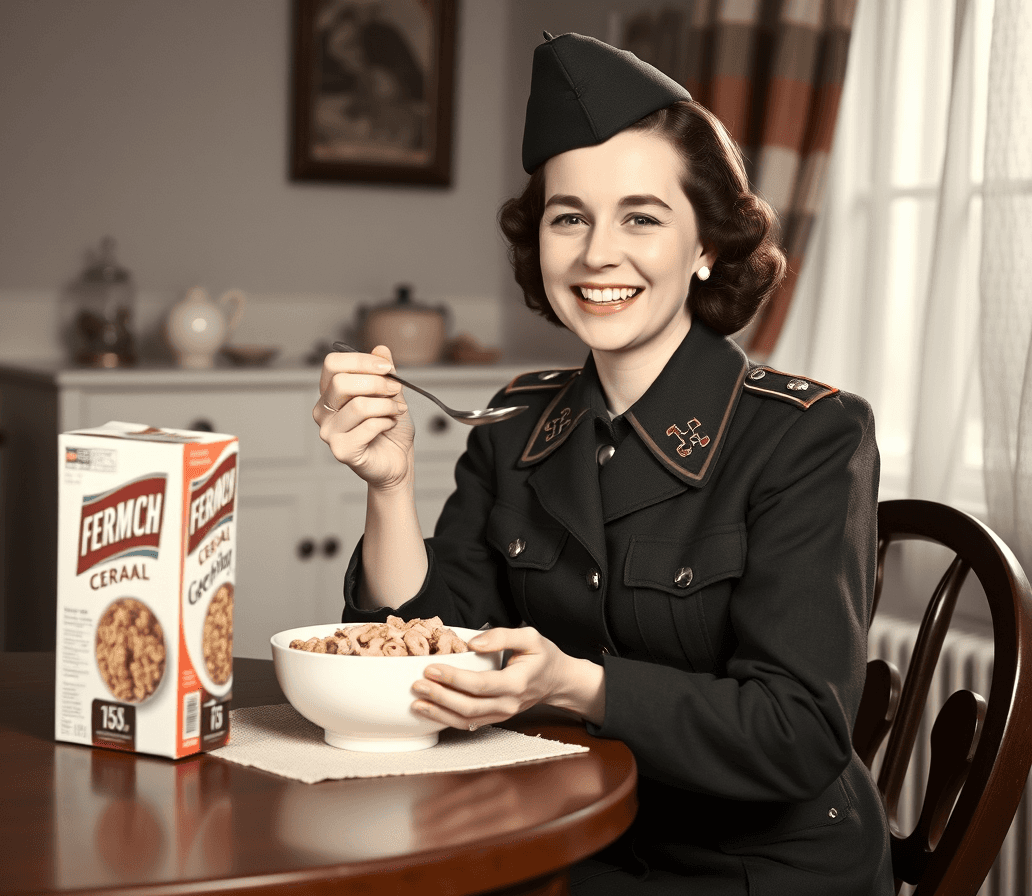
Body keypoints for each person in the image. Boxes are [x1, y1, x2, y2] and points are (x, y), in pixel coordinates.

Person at [313, 31, 892, 896]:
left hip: (753, 870)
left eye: (642, 217)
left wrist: (580, 686)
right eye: (569, 216)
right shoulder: (512, 426)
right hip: (565, 838)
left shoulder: (811, 437)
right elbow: (428, 660)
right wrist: (389, 487)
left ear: (706, 247)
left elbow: (798, 732)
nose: (596, 254)